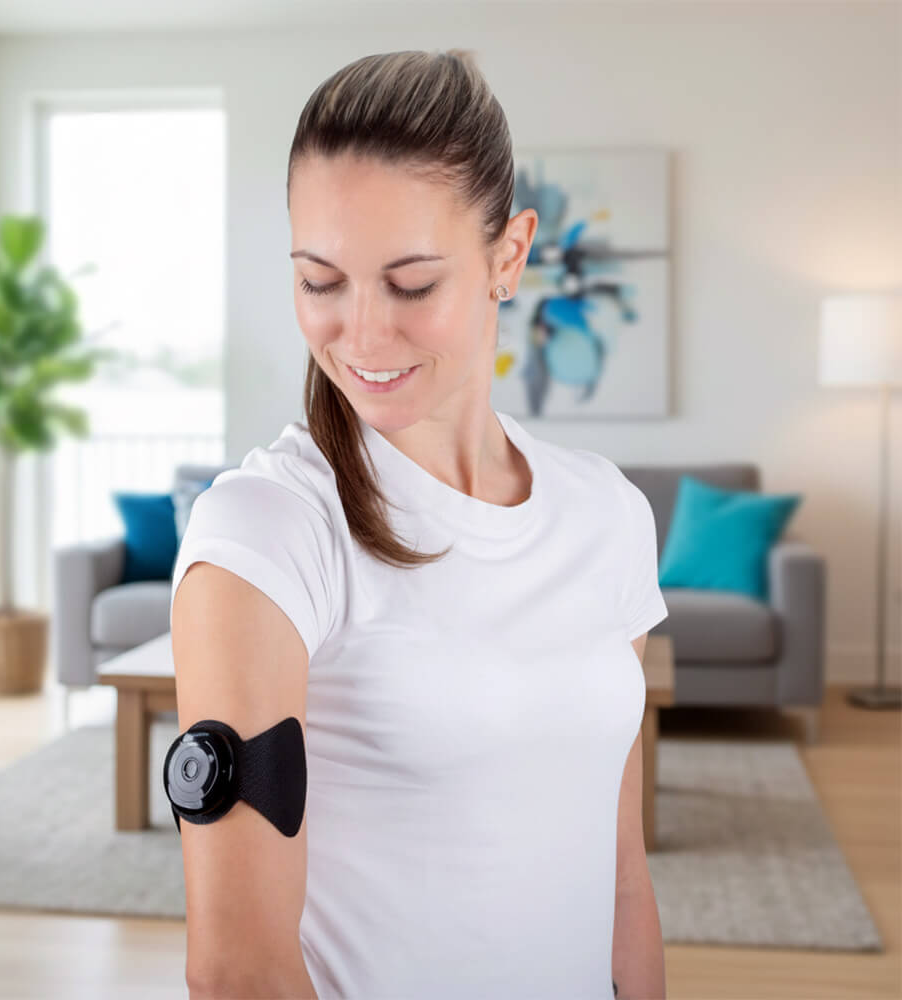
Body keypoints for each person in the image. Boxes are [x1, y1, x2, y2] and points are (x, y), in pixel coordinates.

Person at [170, 48, 669, 1000]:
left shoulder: (607, 514)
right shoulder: (268, 532)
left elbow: (623, 882)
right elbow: (239, 972)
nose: (361, 334)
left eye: (410, 284)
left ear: (508, 257)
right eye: (321, 281)